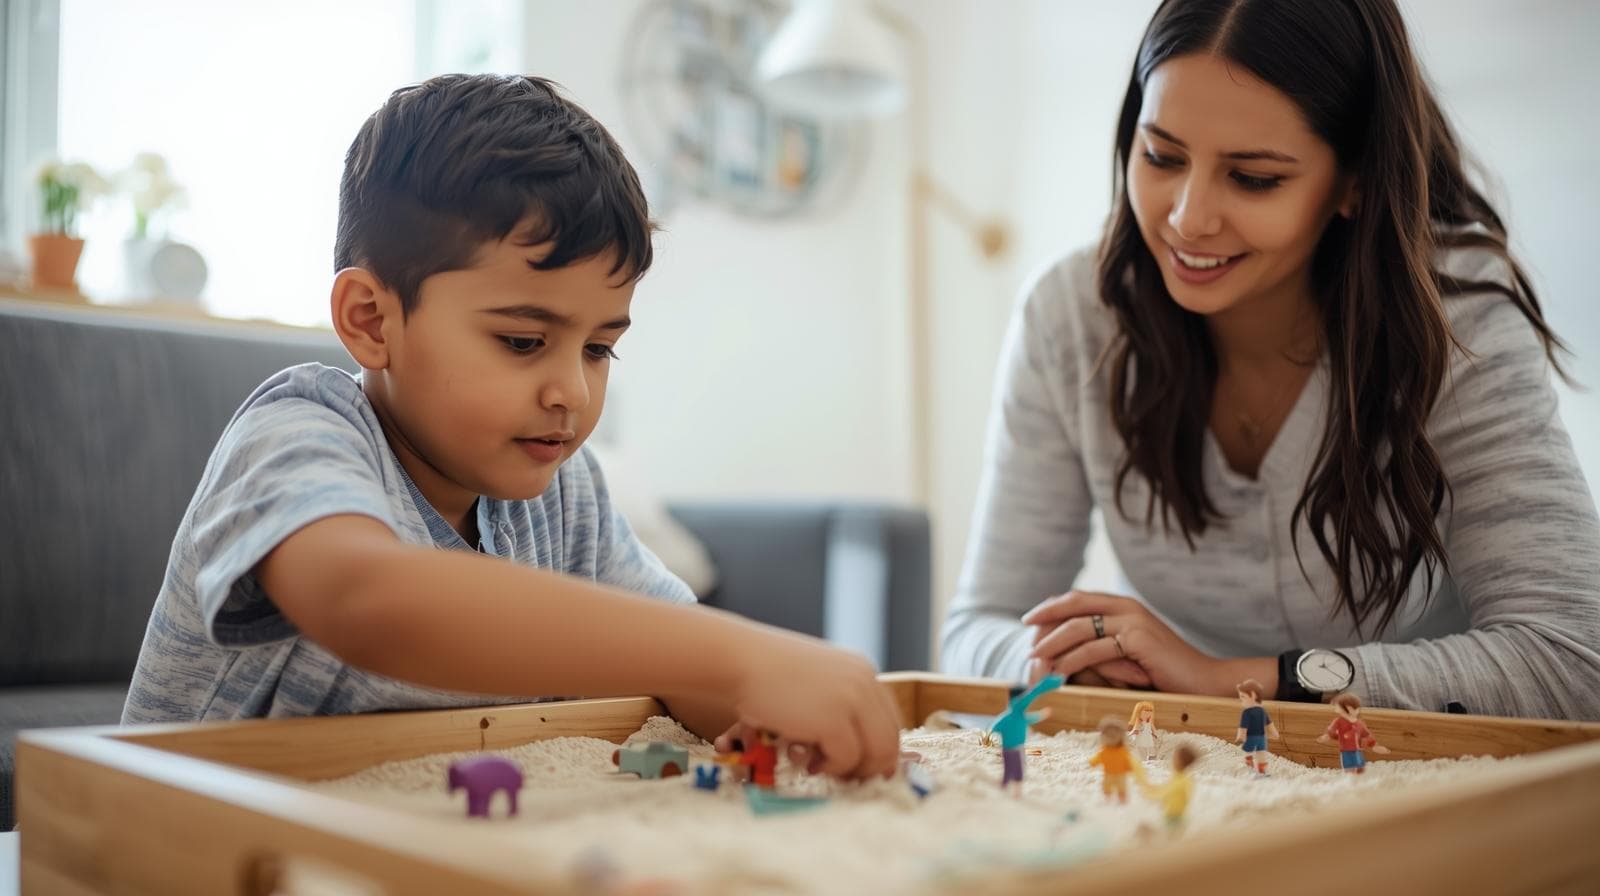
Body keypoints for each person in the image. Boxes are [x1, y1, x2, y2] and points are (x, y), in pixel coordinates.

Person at [121, 74, 901, 781]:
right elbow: (369, 601)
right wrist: (744, 653)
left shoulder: (563, 491)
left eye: (600, 348)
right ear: (370, 321)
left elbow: (680, 668)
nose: (571, 390)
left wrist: (764, 703)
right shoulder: (299, 432)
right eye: (523, 342)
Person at [940, 0, 1600, 720]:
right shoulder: (1071, 317)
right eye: (1161, 155)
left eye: (1253, 178)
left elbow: (1572, 658)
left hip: (1426, 785)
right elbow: (977, 630)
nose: (1188, 217)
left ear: (1354, 182)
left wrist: (1240, 681)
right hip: (1200, 777)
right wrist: (1073, 663)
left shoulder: (1454, 317)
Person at [1317, 692, 1391, 774]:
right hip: (1345, 751)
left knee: (1360, 768)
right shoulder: (1338, 722)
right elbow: (1332, 732)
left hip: (1357, 751)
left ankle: (1358, 778)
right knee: (1349, 769)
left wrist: (1374, 746)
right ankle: (1351, 779)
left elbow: (1366, 735)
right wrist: (1327, 736)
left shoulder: (1359, 723)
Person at [1232, 679, 1281, 776]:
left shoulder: (1246, 712)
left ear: (1253, 695)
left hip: (1251, 737)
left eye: (1243, 697)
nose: (1241, 700)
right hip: (1262, 738)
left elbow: (1243, 728)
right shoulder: (1262, 711)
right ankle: (1262, 772)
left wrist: (1240, 737)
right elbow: (1269, 724)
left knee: (1247, 751)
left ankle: (1250, 767)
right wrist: (1275, 733)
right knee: (1261, 753)